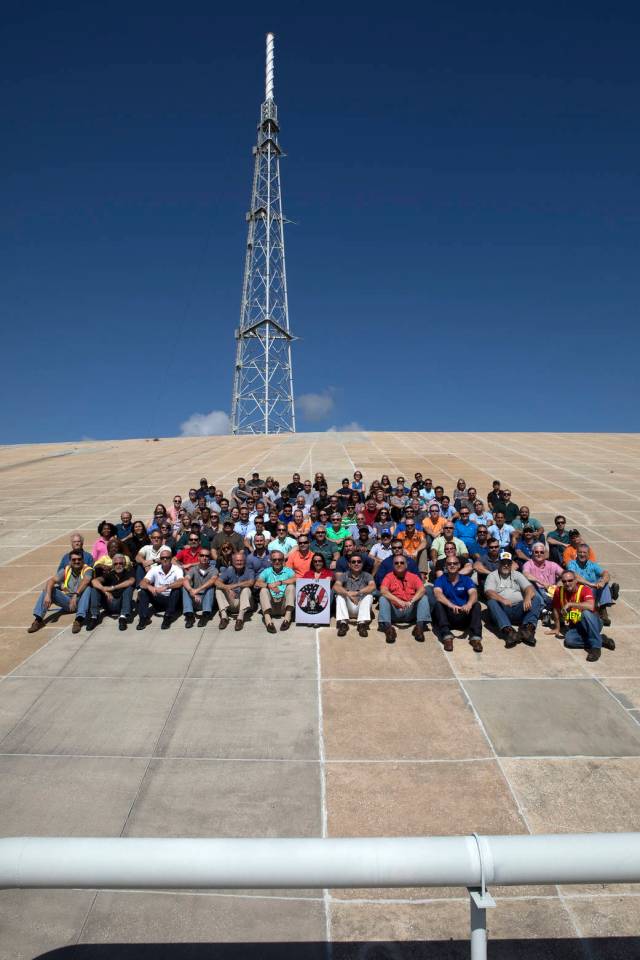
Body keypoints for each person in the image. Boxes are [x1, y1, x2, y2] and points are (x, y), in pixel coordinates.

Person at [551, 569, 615, 662]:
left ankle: (596, 648)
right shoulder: (558, 591)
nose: (567, 583)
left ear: (576, 580)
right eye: (564, 581)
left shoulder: (584, 589)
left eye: (570, 581)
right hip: (577, 625)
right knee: (569, 640)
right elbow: (555, 609)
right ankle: (601, 639)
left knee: (585, 613)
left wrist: (571, 604)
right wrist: (557, 627)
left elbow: (590, 605)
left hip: (593, 622)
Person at [485, 552, 543, 648]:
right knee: (491, 602)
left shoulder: (517, 574)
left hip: (519, 608)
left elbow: (529, 588)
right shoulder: (492, 575)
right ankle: (509, 632)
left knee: (536, 598)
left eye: (508, 563)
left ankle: (527, 629)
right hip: (503, 610)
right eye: (503, 563)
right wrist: (502, 600)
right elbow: (489, 592)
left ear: (511, 564)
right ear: (499, 563)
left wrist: (527, 598)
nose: (506, 565)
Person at [28, 550, 93, 634]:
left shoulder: (87, 569)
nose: (76, 561)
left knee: (88, 588)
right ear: (70, 561)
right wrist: (48, 595)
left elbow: (86, 580)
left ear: (83, 560)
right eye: (74, 560)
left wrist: (76, 594)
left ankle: (78, 620)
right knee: (48, 589)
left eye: (79, 559)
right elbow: (51, 580)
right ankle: (38, 620)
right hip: (68, 601)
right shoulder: (67, 569)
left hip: (81, 600)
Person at [432, 556, 483, 652]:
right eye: (449, 564)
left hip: (464, 614)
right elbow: (438, 594)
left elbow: (473, 593)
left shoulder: (466, 579)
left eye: (455, 563)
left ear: (459, 565)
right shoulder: (440, 580)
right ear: (445, 566)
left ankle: (475, 638)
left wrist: (469, 604)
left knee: (476, 605)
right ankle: (447, 637)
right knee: (438, 604)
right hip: (448, 616)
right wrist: (450, 605)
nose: (452, 565)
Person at [378, 554, 430, 644]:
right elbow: (383, 590)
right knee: (383, 598)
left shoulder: (413, 577)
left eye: (402, 563)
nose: (399, 564)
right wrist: (399, 601)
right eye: (396, 563)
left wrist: (411, 601)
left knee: (424, 598)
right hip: (394, 612)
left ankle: (419, 628)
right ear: (393, 565)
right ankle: (388, 629)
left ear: (406, 565)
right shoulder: (388, 576)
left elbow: (422, 590)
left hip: (410, 611)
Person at [567, 544, 619, 626]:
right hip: (579, 592)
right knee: (575, 620)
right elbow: (574, 576)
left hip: (592, 591)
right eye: (580, 552)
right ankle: (611, 592)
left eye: (584, 552)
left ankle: (603, 611)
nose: (582, 554)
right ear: (577, 553)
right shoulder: (572, 564)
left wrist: (602, 581)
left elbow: (605, 573)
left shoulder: (592, 564)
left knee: (603, 583)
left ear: (588, 554)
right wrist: (590, 584)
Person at [137, 548, 184, 630]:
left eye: (167, 557)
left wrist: (166, 587)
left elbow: (181, 582)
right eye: (162, 558)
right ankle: (143, 618)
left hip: (172, 599)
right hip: (158, 598)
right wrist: (150, 587)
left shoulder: (177, 569)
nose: (165, 559)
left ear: (171, 558)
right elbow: (142, 583)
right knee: (143, 592)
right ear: (160, 559)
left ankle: (168, 617)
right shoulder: (155, 569)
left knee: (176, 590)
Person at [87, 554, 135, 631]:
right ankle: (94, 617)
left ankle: (123, 617)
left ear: (124, 564)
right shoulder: (110, 574)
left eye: (120, 563)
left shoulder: (129, 572)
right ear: (113, 565)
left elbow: (131, 581)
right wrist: (104, 590)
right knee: (95, 588)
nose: (118, 565)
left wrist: (112, 588)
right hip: (109, 603)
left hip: (121, 604)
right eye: (116, 564)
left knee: (129, 588)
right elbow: (94, 581)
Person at [334, 554, 376, 637]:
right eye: (353, 562)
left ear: (362, 564)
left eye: (359, 562)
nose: (356, 564)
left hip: (361, 608)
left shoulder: (367, 575)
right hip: (348, 609)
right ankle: (343, 623)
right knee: (339, 596)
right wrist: (348, 594)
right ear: (349, 564)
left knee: (369, 596)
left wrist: (357, 593)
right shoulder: (344, 575)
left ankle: (361, 624)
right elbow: (336, 586)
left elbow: (372, 586)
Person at [522, 544, 563, 625]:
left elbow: (564, 574)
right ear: (532, 553)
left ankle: (550, 613)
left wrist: (558, 584)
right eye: (536, 552)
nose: (539, 554)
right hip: (537, 590)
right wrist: (542, 582)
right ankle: (546, 612)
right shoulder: (528, 564)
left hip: (550, 590)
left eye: (541, 552)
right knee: (531, 586)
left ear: (545, 553)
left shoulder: (552, 564)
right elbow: (526, 574)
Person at [255, 551, 296, 633]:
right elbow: (257, 583)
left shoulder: (288, 571)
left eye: (279, 559)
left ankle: (287, 619)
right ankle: (268, 621)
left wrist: (280, 582)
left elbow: (295, 579)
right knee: (263, 590)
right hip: (271, 607)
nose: (277, 562)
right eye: (274, 560)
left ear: (283, 560)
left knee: (291, 587)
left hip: (284, 606)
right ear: (271, 560)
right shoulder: (267, 571)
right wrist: (269, 585)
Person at [215, 551, 255, 631]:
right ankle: (224, 617)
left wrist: (234, 586)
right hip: (232, 601)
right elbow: (217, 582)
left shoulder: (249, 570)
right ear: (233, 562)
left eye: (241, 560)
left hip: (245, 603)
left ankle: (240, 619)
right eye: (237, 560)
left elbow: (251, 582)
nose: (239, 562)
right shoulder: (229, 570)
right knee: (218, 589)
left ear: (244, 561)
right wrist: (227, 588)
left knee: (246, 589)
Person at [182, 547, 218, 627]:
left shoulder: (214, 570)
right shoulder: (193, 569)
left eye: (207, 556)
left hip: (207, 599)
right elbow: (185, 580)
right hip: (195, 598)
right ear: (198, 557)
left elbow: (212, 580)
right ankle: (189, 616)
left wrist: (197, 590)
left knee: (210, 587)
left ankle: (205, 615)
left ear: (209, 558)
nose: (204, 558)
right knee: (185, 588)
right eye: (202, 555)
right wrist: (191, 591)